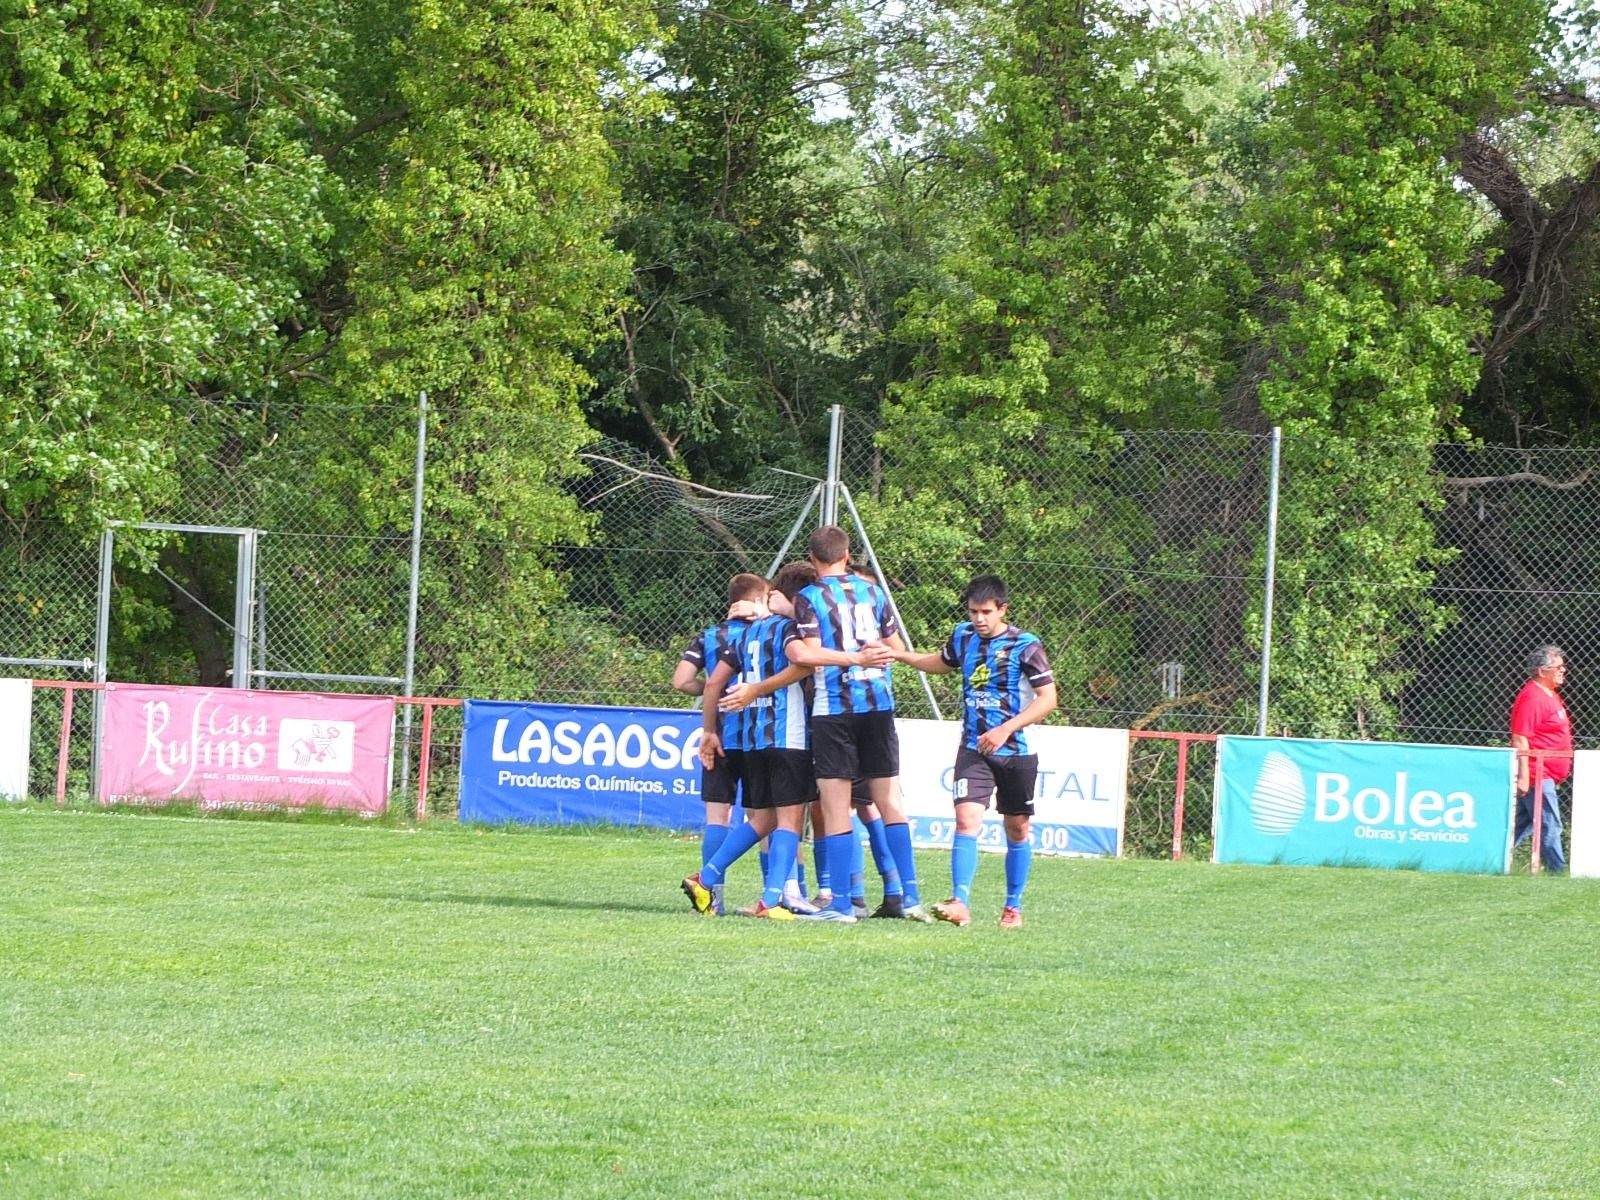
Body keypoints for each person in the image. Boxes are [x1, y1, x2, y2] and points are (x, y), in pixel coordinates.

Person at [891, 574, 1057, 928]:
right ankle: (960, 901)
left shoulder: (1026, 645)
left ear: (1003, 610)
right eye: (973, 612)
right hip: (973, 748)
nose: (978, 619)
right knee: (966, 820)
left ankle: (1012, 906)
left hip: (1015, 751)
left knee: (1017, 828)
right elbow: (942, 662)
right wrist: (901, 656)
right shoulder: (963, 636)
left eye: (985, 612)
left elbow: (1049, 700)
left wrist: (1005, 729)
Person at [784, 526, 928, 921]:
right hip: (878, 704)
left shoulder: (809, 597)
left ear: (812, 559)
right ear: (848, 554)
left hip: (834, 710)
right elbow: (896, 649)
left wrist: (851, 659)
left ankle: (844, 905)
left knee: (835, 807)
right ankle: (911, 897)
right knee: (889, 802)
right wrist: (873, 657)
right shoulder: (874, 593)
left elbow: (809, 656)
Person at [682, 562, 819, 919]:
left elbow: (712, 683)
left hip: (751, 736)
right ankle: (771, 900)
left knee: (763, 820)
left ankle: (707, 877)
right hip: (788, 734)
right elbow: (804, 662)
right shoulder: (792, 630)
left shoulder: (746, 633)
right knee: (788, 821)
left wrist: (709, 729)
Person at [671, 573, 769, 909]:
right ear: (760, 599)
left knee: (718, 817)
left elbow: (682, 681)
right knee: (763, 819)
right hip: (760, 734)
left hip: (719, 735)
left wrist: (714, 692)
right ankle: (771, 899)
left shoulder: (710, 635)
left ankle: (713, 901)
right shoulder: (768, 631)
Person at [1510, 644, 1571, 873]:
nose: (1563, 670)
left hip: (1548, 774)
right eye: (1558, 667)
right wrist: (1524, 776)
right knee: (1550, 823)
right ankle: (1558, 872)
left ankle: (1488, 859)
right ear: (1541, 671)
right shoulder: (1532, 697)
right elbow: (1520, 738)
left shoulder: (1550, 695)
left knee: (1520, 826)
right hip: (1538, 773)